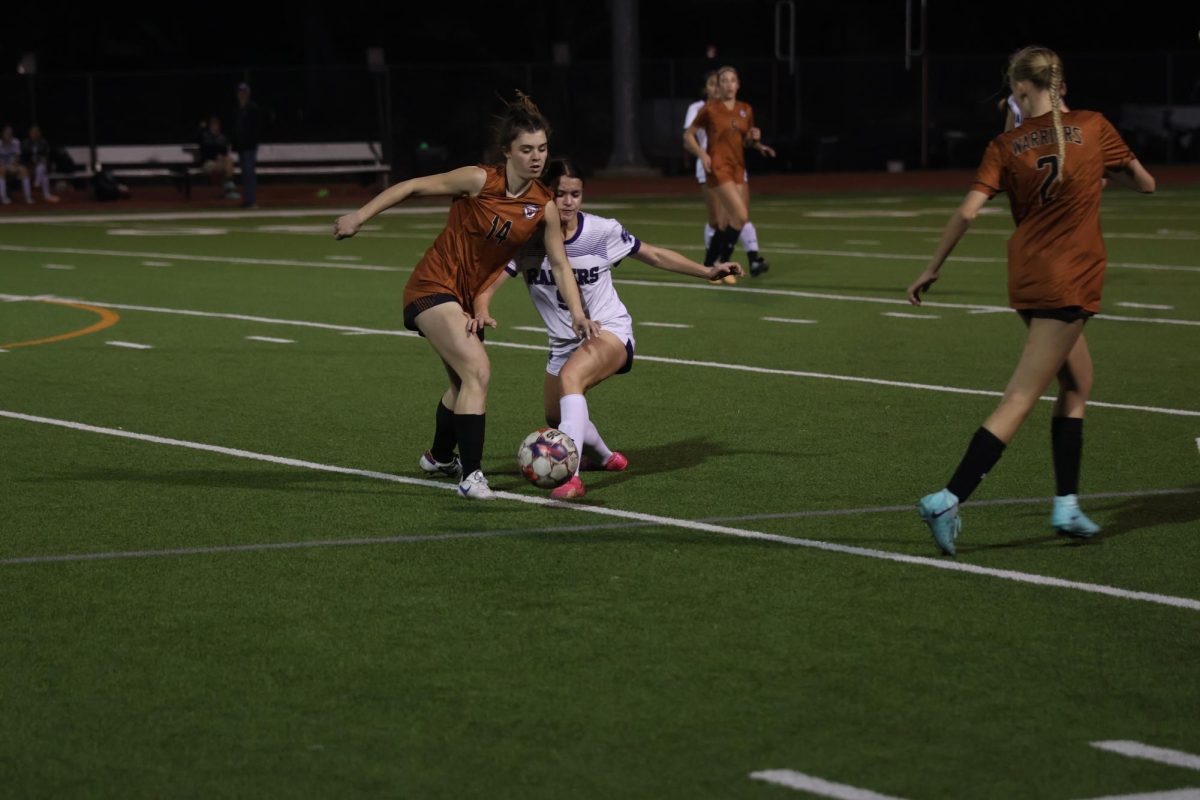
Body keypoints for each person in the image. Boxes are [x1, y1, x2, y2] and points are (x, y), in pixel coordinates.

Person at [905, 46, 1155, 556]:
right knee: (1020, 398)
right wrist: (1108, 174)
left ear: (1021, 90)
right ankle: (948, 498)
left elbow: (969, 213)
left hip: (1029, 278)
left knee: (1078, 383)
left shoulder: (1006, 143)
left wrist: (933, 267)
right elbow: (1147, 184)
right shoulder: (1094, 125)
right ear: (1059, 84)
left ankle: (1066, 502)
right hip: (1069, 282)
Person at [332, 93, 600, 501]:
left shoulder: (542, 204)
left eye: (542, 149)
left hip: (465, 301)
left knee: (462, 386)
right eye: (526, 149)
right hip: (431, 287)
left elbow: (560, 265)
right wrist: (359, 216)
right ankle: (472, 476)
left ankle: (440, 457)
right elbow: (411, 187)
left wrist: (578, 314)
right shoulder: (480, 180)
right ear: (507, 151)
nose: (536, 157)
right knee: (478, 370)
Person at [473, 159, 742, 500]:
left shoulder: (601, 232)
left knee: (572, 381)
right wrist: (482, 309)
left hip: (609, 331)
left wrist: (707, 272)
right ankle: (605, 456)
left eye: (576, 194)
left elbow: (655, 255)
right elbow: (489, 285)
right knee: (558, 417)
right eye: (560, 194)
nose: (568, 202)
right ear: (544, 194)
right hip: (562, 344)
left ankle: (569, 477)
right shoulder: (527, 240)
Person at [683, 65, 775, 276]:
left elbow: (746, 140)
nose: (728, 85)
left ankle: (709, 264)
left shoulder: (745, 109)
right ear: (718, 85)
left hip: (738, 167)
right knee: (739, 215)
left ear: (738, 84)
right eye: (723, 81)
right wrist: (703, 154)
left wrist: (757, 142)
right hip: (718, 166)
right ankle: (724, 260)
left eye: (732, 80)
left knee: (727, 221)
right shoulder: (709, 109)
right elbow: (688, 136)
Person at [197, 116, 239, 200]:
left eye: (216, 125)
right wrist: (201, 129)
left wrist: (221, 157)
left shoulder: (222, 138)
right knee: (225, 166)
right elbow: (197, 141)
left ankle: (228, 189)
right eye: (213, 125)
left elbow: (225, 153)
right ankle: (230, 189)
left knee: (228, 160)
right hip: (207, 164)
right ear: (210, 126)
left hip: (220, 164)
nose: (215, 127)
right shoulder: (205, 136)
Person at [233, 82, 261, 208]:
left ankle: (251, 200)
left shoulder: (253, 108)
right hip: (241, 147)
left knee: (249, 173)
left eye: (244, 92)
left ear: (248, 94)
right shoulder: (237, 109)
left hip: (250, 147)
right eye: (240, 92)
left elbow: (256, 129)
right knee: (245, 174)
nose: (242, 95)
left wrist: (252, 141)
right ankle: (247, 200)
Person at [20, 124, 60, 203]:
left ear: (39, 133)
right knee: (26, 173)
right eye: (33, 132)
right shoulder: (25, 143)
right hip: (28, 166)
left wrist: (40, 160)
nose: (35, 134)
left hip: (40, 166)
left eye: (37, 132)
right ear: (30, 133)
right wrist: (31, 163)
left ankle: (45, 193)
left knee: (42, 168)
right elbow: (23, 157)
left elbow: (46, 156)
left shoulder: (43, 142)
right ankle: (28, 197)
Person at [0, 124, 34, 205]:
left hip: (12, 166)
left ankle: (28, 197)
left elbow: (17, 157)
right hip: (2, 167)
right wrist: (5, 167)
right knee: (2, 171)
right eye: (7, 133)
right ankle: (4, 197)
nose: (9, 135)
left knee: (24, 170)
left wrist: (14, 166)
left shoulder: (16, 142)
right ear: (3, 134)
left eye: (10, 133)